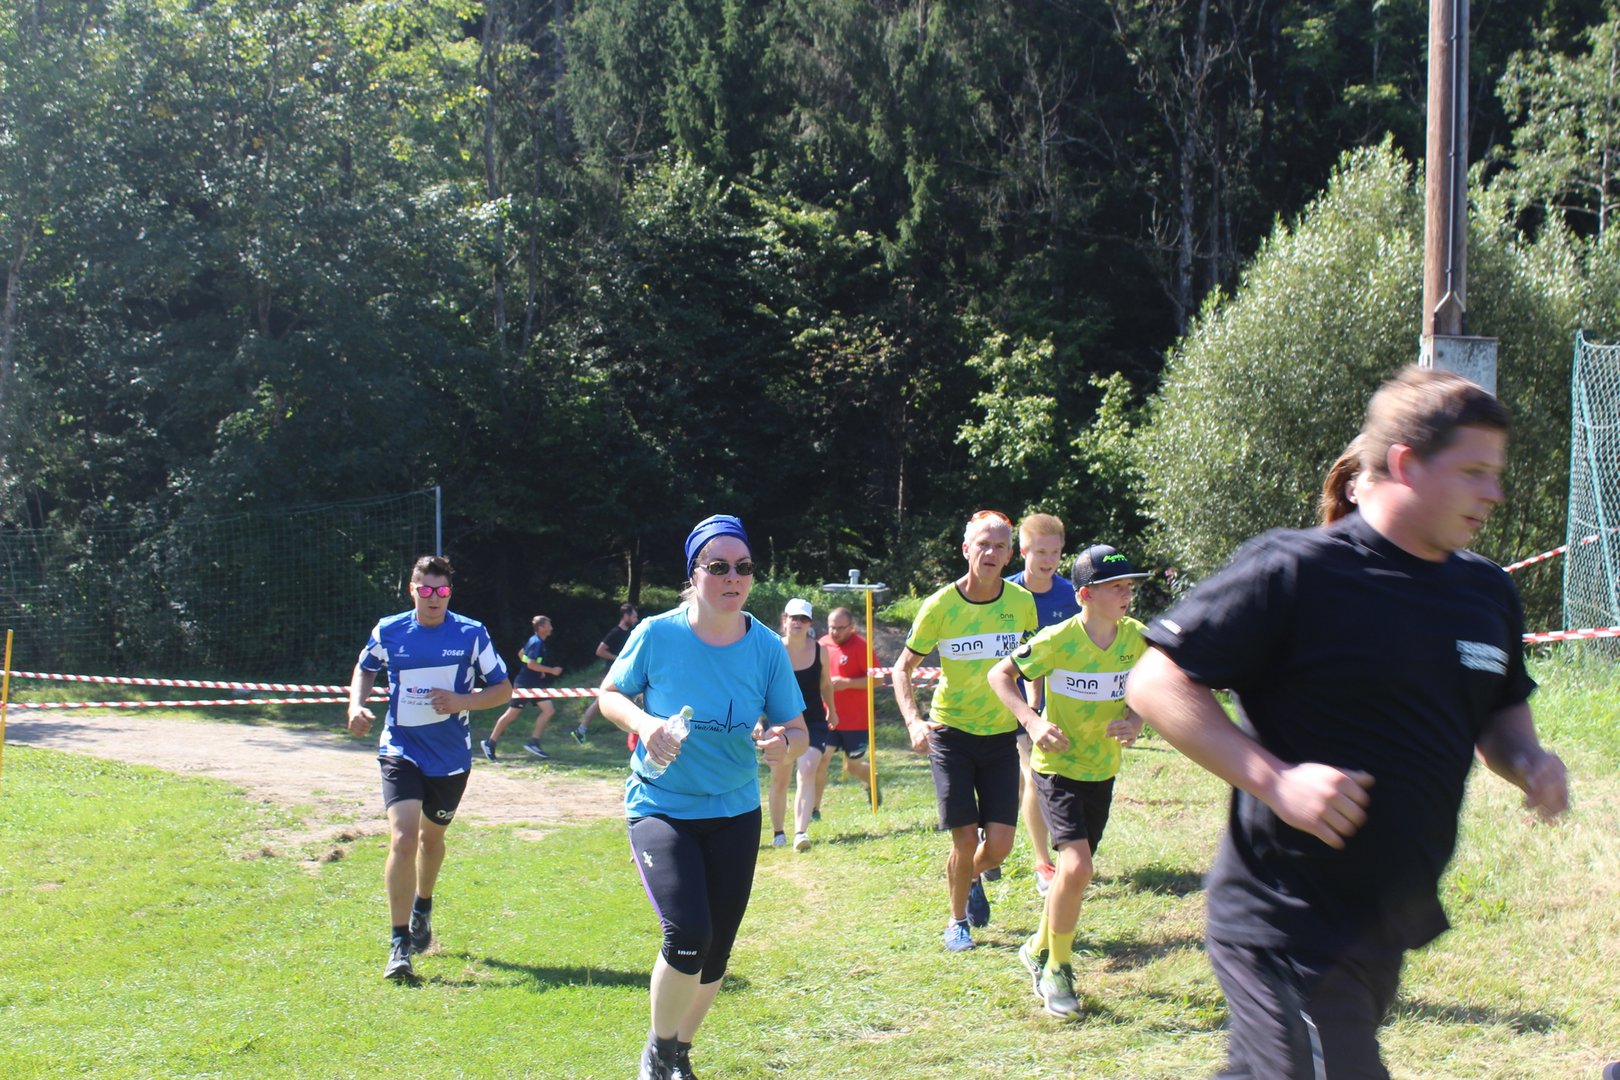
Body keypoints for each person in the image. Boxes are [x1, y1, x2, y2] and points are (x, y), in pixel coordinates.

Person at [1125, 366, 1569, 1078]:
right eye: (1475, 472)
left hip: (1379, 925)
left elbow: (1499, 709)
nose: (1494, 493)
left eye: (1496, 474)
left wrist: (1528, 761)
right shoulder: (1297, 571)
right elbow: (1156, 680)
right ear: (1406, 464)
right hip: (1285, 920)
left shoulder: (1485, 591)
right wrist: (1276, 781)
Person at [595, 514, 807, 1080]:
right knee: (689, 934)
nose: (732, 577)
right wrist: (646, 722)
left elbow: (797, 730)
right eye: (718, 566)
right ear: (694, 574)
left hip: (735, 810)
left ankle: (677, 1052)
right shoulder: (658, 634)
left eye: (743, 567)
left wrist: (782, 745)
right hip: (662, 804)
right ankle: (658, 1053)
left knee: (716, 950)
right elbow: (610, 693)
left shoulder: (766, 647)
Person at [989, 544, 1149, 1018]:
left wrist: (1135, 719)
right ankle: (1057, 970)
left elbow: (1155, 683)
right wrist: (1032, 721)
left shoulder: (1138, 637)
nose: (1126, 594)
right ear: (1085, 595)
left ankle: (1036, 947)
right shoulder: (1057, 639)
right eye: (1115, 587)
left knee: (1072, 877)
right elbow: (999, 675)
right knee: (1077, 868)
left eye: (1129, 586)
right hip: (1056, 768)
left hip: (1103, 769)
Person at [346, 555, 513, 981]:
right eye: (425, 589)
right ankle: (399, 943)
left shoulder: (471, 633)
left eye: (441, 591)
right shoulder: (389, 630)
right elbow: (364, 669)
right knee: (403, 837)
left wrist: (462, 701)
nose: (433, 598)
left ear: (449, 593)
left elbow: (503, 689)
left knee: (431, 838)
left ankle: (423, 905)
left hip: (450, 758)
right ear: (412, 590)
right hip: (400, 748)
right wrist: (356, 705)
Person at [893, 509, 1038, 952]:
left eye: (999, 546)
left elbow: (1033, 661)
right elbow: (902, 669)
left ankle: (970, 875)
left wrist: (1032, 711)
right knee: (965, 835)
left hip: (1001, 736)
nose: (990, 552)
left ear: (1010, 555)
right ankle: (957, 922)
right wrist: (914, 721)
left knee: (1000, 846)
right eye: (983, 544)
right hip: (951, 734)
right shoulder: (940, 606)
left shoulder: (1021, 603)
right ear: (965, 550)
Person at [1005, 512, 1082, 896]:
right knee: (1034, 772)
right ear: (1023, 551)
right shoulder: (1003, 593)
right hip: (1016, 703)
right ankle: (1043, 863)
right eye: (1040, 552)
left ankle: (994, 835)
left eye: (1055, 552)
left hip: (1063, 702)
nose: (1048, 560)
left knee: (1031, 780)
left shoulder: (1072, 595)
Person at [766, 598, 837, 851]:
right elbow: (758, 687)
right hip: (781, 723)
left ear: (810, 623)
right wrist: (756, 720)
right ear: (784, 620)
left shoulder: (820, 651)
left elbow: (826, 684)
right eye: (793, 618)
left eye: (803, 619)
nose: (798, 623)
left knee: (807, 769)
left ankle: (800, 833)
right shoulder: (773, 649)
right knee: (780, 778)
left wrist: (833, 711)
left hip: (814, 721)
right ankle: (778, 833)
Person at [814, 606, 876, 813]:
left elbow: (877, 680)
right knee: (820, 760)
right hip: (828, 716)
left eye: (841, 628)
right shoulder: (822, 644)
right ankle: (814, 810)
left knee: (853, 767)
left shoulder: (862, 646)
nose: (835, 632)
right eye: (832, 627)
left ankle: (871, 782)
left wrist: (847, 683)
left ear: (852, 627)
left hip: (856, 720)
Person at [482, 615, 562, 760]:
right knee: (511, 715)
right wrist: (551, 670)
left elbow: (522, 655)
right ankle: (490, 743)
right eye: (549, 625)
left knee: (549, 710)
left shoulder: (535, 640)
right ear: (541, 627)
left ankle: (534, 742)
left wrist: (539, 670)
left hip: (533, 683)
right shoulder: (537, 642)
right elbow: (531, 664)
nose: (551, 628)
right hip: (525, 684)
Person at [573, 602, 639, 744]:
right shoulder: (615, 632)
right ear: (625, 616)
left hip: (624, 674)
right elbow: (600, 651)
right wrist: (618, 659)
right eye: (634, 616)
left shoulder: (630, 633)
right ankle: (581, 730)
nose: (636, 619)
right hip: (612, 674)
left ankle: (581, 730)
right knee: (602, 702)